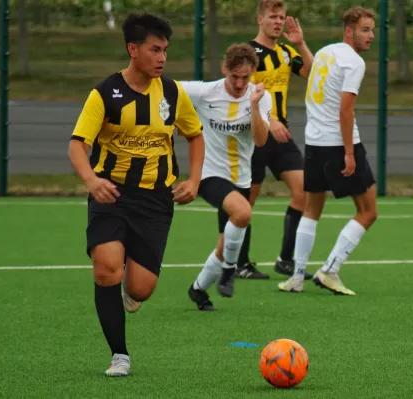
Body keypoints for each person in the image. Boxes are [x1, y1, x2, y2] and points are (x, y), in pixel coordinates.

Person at [68, 13, 204, 376]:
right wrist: (91, 181)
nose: (161, 57)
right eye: (154, 49)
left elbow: (195, 135)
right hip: (110, 193)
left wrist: (194, 180)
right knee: (106, 270)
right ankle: (119, 355)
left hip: (156, 200)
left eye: (165, 51)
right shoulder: (105, 93)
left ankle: (131, 292)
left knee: (141, 289)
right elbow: (78, 146)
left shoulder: (173, 93)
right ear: (133, 49)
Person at [278, 7, 378, 295]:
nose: (371, 35)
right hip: (338, 144)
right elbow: (346, 111)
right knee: (368, 212)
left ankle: (296, 277)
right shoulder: (354, 63)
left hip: (314, 143)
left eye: (372, 30)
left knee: (312, 209)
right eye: (365, 30)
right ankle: (330, 270)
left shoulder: (325, 52)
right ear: (349, 31)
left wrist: (300, 45)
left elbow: (314, 77)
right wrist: (349, 153)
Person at [180, 43, 271, 310]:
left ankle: (198, 289)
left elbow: (260, 139)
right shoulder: (205, 92)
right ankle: (230, 270)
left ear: (253, 72)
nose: (240, 83)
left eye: (246, 77)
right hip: (209, 174)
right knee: (242, 213)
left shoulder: (261, 96)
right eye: (235, 76)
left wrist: (253, 106)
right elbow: (164, 87)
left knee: (224, 244)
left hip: (241, 178)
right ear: (224, 69)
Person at [234, 0, 315, 280]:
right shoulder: (247, 53)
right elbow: (241, 89)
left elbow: (313, 73)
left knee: (304, 191)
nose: (278, 22)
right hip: (254, 135)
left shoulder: (285, 52)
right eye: (273, 17)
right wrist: (270, 120)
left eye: (281, 17)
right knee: (246, 203)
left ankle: (286, 259)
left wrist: (301, 44)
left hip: (281, 135)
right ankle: (239, 263)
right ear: (260, 19)